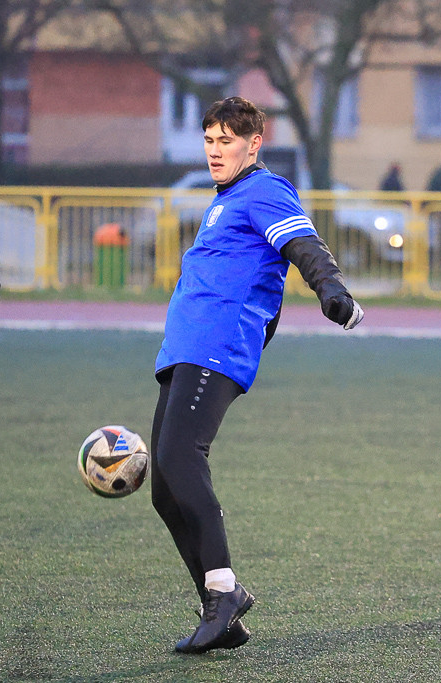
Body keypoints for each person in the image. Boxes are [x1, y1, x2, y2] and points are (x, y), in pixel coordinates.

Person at [151, 97, 364, 654]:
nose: (215, 151)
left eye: (226, 141)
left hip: (216, 348)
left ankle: (224, 594)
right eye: (209, 141)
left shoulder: (265, 190)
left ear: (253, 144)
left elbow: (303, 244)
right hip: (185, 348)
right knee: (164, 491)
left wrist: (331, 289)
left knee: (180, 461)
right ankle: (222, 611)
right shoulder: (224, 199)